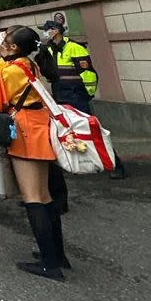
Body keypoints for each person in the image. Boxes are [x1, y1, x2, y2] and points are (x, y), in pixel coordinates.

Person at [0, 25, 69, 281]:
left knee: (32, 197)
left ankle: (49, 264)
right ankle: (57, 254)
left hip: (23, 131)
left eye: (5, 43)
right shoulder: (31, 66)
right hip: (41, 125)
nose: (1, 45)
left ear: (13, 48)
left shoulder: (9, 71)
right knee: (45, 195)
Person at [41, 19, 126, 184]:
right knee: (66, 131)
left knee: (92, 129)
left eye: (47, 30)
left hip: (76, 94)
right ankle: (79, 163)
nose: (46, 33)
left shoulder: (75, 48)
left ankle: (115, 165)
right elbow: (49, 72)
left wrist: (87, 93)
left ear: (56, 30)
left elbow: (88, 74)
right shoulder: (50, 49)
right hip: (60, 93)